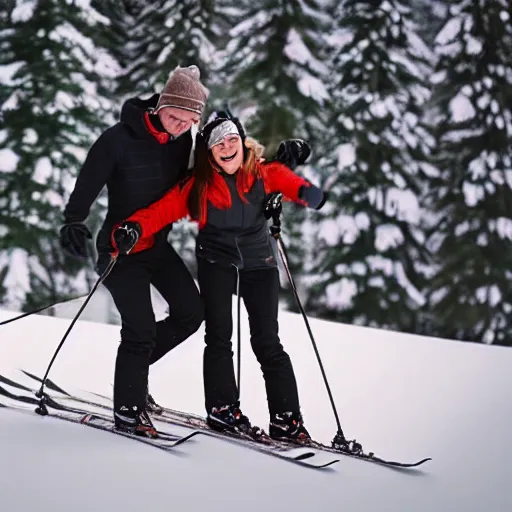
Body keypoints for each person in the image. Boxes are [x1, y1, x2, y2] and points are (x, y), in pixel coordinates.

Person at [111, 116, 327, 442]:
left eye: (232, 140)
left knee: (268, 342)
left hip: (259, 264)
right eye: (218, 143)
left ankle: (286, 419)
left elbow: (304, 190)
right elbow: (160, 210)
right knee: (219, 337)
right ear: (209, 153)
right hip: (217, 261)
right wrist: (134, 228)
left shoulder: (264, 172)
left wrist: (306, 194)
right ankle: (222, 408)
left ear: (242, 141)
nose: (227, 147)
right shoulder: (198, 185)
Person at [59, 65, 209, 437]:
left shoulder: (183, 140)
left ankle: (134, 374)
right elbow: (89, 181)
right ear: (160, 104)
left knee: (192, 312)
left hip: (156, 245)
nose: (178, 126)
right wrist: (74, 221)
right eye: (174, 116)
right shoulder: (118, 139)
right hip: (119, 252)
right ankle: (128, 408)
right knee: (139, 328)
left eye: (187, 121)